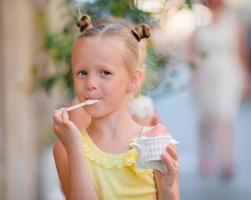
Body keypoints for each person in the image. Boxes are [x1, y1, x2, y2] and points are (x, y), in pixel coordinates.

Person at [52, 15, 179, 199]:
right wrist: (75, 149)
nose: (90, 83)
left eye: (105, 73)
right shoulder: (66, 147)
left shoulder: (153, 143)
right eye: (82, 73)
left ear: (133, 80)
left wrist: (167, 188)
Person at [188, 0, 250, 178]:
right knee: (205, 117)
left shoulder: (234, 21)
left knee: (225, 115)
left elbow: (241, 51)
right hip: (205, 73)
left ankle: (226, 160)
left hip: (228, 73)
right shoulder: (200, 20)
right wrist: (194, 76)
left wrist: (247, 78)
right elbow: (192, 50)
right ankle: (206, 156)